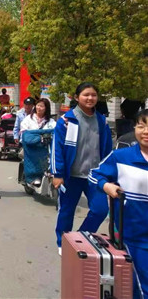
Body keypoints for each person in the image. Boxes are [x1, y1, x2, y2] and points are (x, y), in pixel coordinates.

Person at [89, 109, 148, 299]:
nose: (146, 131)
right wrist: (106, 186)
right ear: (134, 128)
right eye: (141, 126)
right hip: (132, 236)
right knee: (142, 287)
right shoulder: (121, 157)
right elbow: (95, 174)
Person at [51, 82, 113, 253]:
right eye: (86, 95)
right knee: (66, 211)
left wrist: (109, 173)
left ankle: (80, 237)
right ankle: (62, 242)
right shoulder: (66, 121)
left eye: (93, 95)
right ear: (77, 97)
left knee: (100, 210)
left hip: (95, 176)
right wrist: (57, 173)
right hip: (71, 176)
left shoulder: (102, 121)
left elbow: (108, 150)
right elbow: (57, 149)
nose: (90, 98)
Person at [19, 98, 56, 186]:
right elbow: (26, 135)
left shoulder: (51, 122)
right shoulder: (28, 119)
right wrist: (40, 136)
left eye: (42, 106)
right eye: (38, 105)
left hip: (46, 148)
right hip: (31, 148)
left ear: (46, 108)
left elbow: (55, 132)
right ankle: (31, 177)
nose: (39, 108)